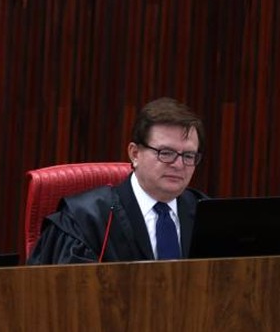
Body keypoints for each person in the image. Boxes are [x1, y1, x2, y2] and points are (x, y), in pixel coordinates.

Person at [27, 97, 207, 264]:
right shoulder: (84, 220)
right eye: (166, 153)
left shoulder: (205, 213)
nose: (178, 164)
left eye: (189, 155)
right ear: (135, 154)